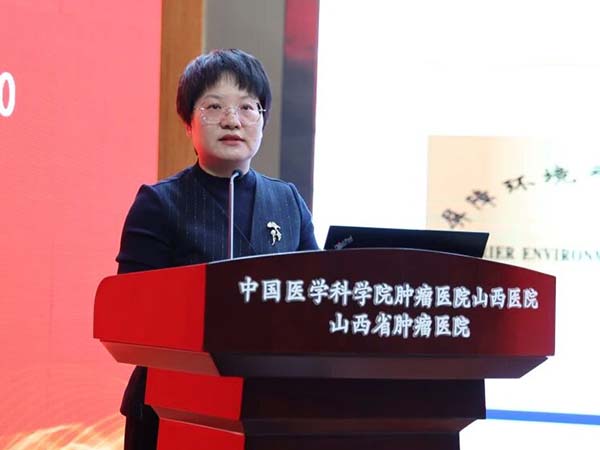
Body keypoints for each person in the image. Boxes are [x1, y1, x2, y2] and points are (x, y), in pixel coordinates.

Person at [116, 49, 319, 449]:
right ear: (188, 122)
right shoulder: (159, 203)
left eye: (247, 107)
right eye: (213, 107)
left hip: (270, 408)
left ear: (262, 119)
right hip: (172, 408)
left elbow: (317, 299)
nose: (232, 120)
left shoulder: (287, 201)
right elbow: (130, 315)